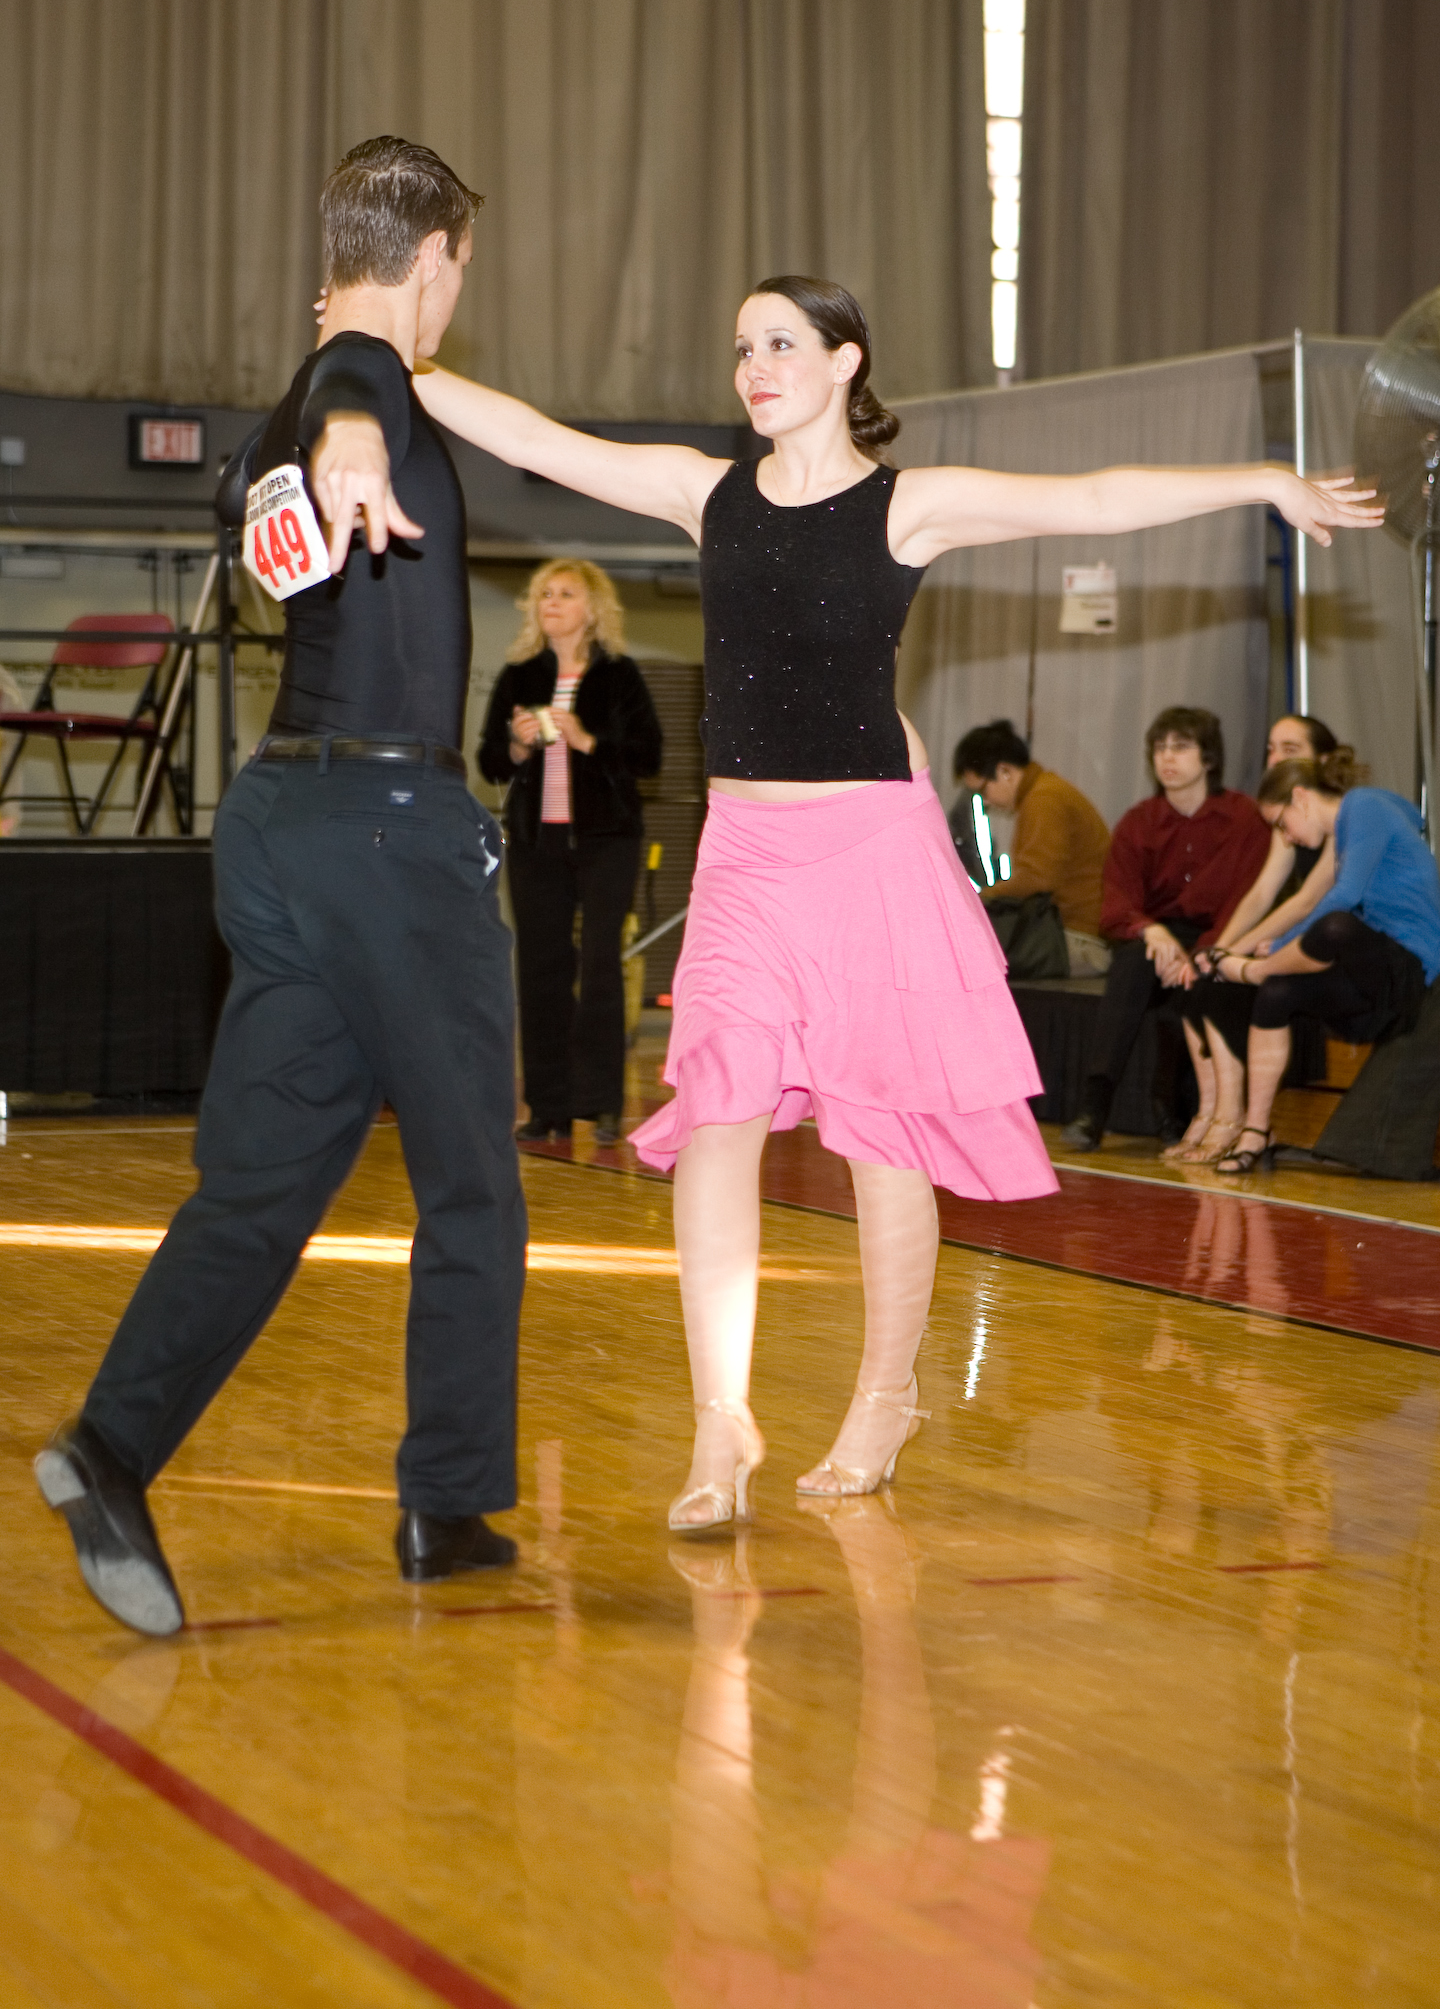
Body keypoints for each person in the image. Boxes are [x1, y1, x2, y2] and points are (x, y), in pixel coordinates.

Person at [396, 272, 1376, 1528]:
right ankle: (720, 1420)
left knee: (879, 1133)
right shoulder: (707, 493)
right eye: (742, 346)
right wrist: (397, 359)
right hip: (744, 856)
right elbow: (540, 442)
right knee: (718, 1118)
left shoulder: (907, 507)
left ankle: (885, 1394)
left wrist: (1264, 481)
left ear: (845, 360)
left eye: (781, 343)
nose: (755, 367)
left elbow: (1092, 498)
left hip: (866, 852)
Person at [33, 137, 528, 1637]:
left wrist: (340, 423)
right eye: (459, 270)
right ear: (431, 255)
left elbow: (320, 422)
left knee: (259, 1187)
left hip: (278, 831)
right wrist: (362, 433)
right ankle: (448, 1503)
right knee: (473, 1182)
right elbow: (360, 389)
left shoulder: (269, 424)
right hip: (387, 835)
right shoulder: (355, 385)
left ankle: (111, 1446)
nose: (453, 297)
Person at [479, 558, 662, 1144]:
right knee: (541, 967)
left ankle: (602, 1103)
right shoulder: (519, 677)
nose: (551, 603)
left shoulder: (620, 676)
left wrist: (587, 740)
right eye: (544, 594)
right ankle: (548, 1106)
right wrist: (516, 747)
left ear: (592, 609)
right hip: (538, 843)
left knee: (602, 965)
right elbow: (488, 761)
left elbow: (649, 757)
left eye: (564, 594)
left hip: (607, 840)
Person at [1195, 753, 1440, 1173]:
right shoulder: (1346, 828)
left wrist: (1273, 950)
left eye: (1281, 823)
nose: (1286, 837)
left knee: (1335, 927)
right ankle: (1256, 1130)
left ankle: (1253, 973)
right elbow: (1319, 902)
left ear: (1301, 798)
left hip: (1416, 968)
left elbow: (1343, 898)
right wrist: (1277, 946)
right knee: (1279, 991)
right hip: (1381, 976)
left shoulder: (1363, 805)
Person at [1059, 708, 1271, 1152]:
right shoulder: (1138, 822)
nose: (1167, 758)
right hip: (1158, 937)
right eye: (1160, 748)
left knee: (1198, 988)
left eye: (1181, 747)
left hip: (1222, 935)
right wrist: (1148, 930)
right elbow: (1117, 902)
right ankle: (1094, 1106)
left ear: (1208, 758)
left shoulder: (1243, 818)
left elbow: (1246, 900)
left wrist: (1206, 952)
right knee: (1130, 968)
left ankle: (1176, 1110)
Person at [1165, 713, 1344, 1162]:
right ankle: (1211, 1111)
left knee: (1227, 985)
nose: (1275, 758)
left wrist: (1236, 953)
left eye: (1290, 749)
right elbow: (1263, 891)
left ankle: (1233, 1116)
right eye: (1271, 749)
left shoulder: (1339, 813)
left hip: (1326, 943)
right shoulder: (1287, 811)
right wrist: (1218, 949)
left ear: (1322, 760)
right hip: (1296, 937)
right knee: (1200, 980)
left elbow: (1306, 901)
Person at [953, 717, 1110, 970]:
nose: (986, 802)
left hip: (1077, 941)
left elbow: (1036, 879)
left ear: (1005, 772)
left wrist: (979, 899)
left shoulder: (1044, 799)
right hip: (1069, 935)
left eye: (982, 791)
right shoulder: (1045, 791)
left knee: (970, 962)